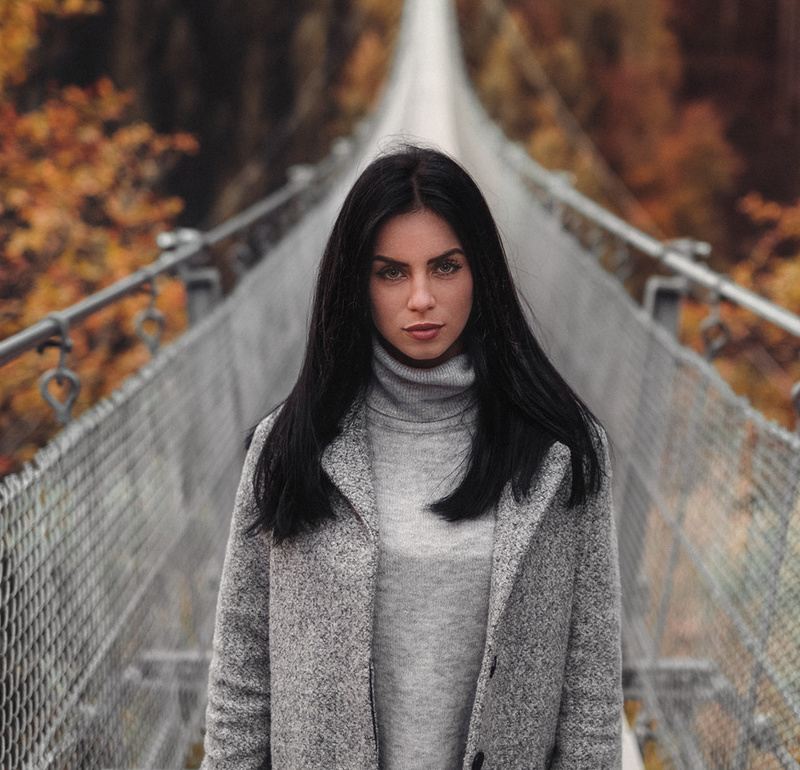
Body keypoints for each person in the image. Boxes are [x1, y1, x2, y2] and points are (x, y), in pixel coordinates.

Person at [201, 144, 623, 770]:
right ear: (357, 283)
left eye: (445, 267)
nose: (421, 298)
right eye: (392, 272)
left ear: (480, 272)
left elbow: (590, 690)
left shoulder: (561, 452)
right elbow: (242, 669)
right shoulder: (292, 446)